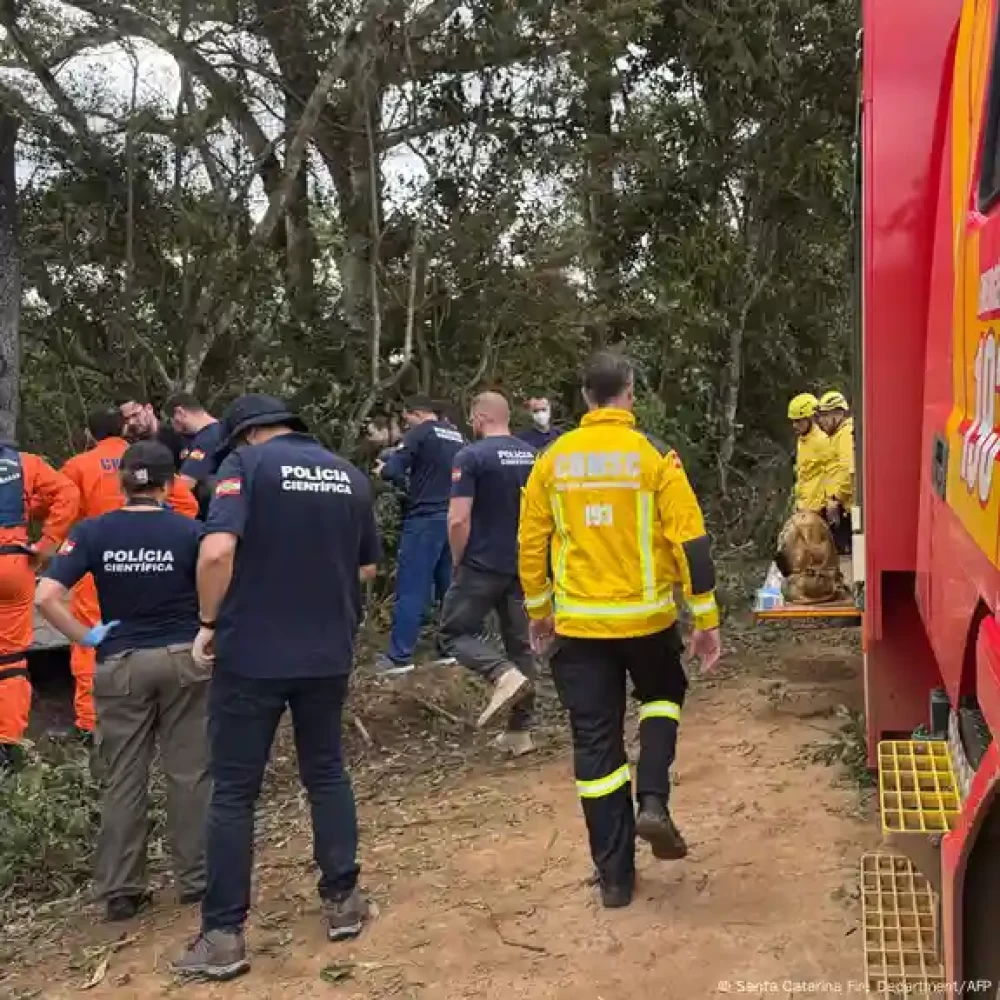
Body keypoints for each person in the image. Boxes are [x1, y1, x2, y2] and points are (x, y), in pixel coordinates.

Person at [172, 393, 380, 981]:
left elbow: (216, 551)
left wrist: (209, 623)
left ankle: (222, 938)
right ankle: (343, 902)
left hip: (253, 654)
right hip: (327, 652)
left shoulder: (245, 468)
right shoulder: (348, 474)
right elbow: (366, 566)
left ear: (244, 436)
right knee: (326, 773)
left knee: (235, 791)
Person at [518, 351, 722, 909]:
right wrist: (705, 618)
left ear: (585, 397)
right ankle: (652, 797)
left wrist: (539, 611)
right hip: (648, 622)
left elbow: (530, 544)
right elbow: (691, 542)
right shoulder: (654, 456)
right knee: (662, 696)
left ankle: (614, 879)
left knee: (595, 743)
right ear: (629, 393)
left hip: (579, 630)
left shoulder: (552, 460)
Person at [36, 441, 210, 921]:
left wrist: (87, 637)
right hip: (183, 659)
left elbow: (47, 596)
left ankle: (121, 890)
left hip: (121, 663)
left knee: (124, 777)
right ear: (170, 484)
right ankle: (197, 880)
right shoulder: (190, 531)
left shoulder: (93, 532)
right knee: (190, 772)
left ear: (121, 483)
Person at [61, 409, 199, 738]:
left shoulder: (78, 466)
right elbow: (188, 506)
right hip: (157, 563)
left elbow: (63, 508)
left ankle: (89, 722)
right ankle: (159, 716)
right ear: (124, 428)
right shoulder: (148, 462)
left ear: (89, 433)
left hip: (96, 564)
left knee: (90, 642)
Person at [438, 392, 537, 755]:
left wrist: (457, 558)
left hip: (481, 562)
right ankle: (520, 733)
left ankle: (500, 673)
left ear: (479, 418)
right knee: (521, 644)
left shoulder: (471, 456)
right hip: (523, 563)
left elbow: (458, 518)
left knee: (452, 634)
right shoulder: (531, 454)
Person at [0, 439, 78, 771]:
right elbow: (69, 493)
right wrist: (47, 543)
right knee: (11, 658)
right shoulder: (24, 463)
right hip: (11, 566)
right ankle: (7, 745)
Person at [374, 394, 465, 675]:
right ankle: (449, 649)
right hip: (452, 519)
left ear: (415, 414)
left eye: (406, 419)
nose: (406, 424)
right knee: (448, 588)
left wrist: (382, 470)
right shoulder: (457, 436)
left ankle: (399, 657)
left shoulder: (421, 433)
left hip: (424, 519)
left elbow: (393, 469)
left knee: (412, 588)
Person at [164, 393, 223, 519]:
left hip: (210, 515)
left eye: (171, 421)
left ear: (179, 413)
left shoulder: (209, 438)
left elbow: (186, 482)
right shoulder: (195, 437)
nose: (173, 427)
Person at [816, 390, 854, 554]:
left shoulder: (845, 434)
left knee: (842, 557)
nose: (821, 421)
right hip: (839, 505)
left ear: (838, 414)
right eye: (820, 416)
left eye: (825, 415)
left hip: (844, 508)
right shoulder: (836, 435)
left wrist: (835, 499)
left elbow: (848, 471)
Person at [787, 393, 831, 515]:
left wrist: (827, 504)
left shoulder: (822, 441)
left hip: (818, 511)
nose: (794, 425)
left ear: (810, 418)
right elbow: (804, 476)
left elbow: (832, 474)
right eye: (793, 421)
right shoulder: (801, 441)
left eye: (798, 421)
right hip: (803, 509)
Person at [119, 396, 187, 469]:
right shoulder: (129, 442)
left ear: (149, 408)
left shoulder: (176, 437)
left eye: (135, 415)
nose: (131, 422)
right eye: (127, 418)